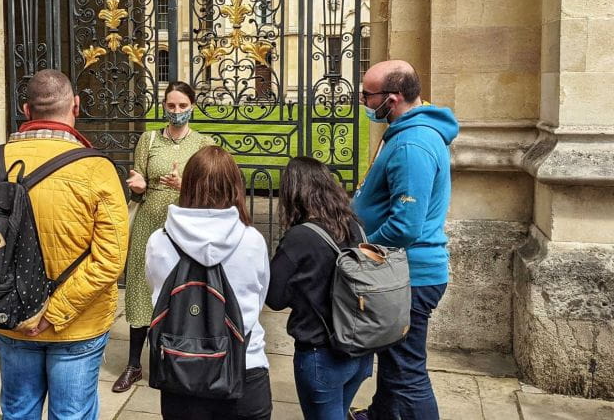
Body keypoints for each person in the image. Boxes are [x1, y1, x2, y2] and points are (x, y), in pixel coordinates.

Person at [0, 69, 128, 420]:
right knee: (71, 414)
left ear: (26, 110)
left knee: (19, 412)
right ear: (75, 106)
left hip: (13, 316)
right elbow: (110, 259)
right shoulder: (97, 169)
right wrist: (54, 312)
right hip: (76, 323)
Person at [349, 60, 459, 420]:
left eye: (367, 95)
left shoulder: (413, 144)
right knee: (395, 361)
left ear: (392, 99)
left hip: (408, 276)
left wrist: (359, 250)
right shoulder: (406, 132)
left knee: (407, 371)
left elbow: (405, 226)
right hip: (403, 272)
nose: (364, 102)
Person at [145, 145, 271, 420]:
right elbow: (259, 298)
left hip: (181, 367)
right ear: (234, 186)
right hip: (243, 365)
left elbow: (155, 292)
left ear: (187, 184)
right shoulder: (251, 240)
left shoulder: (159, 241)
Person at [114, 81, 215, 393]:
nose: (176, 112)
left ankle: (171, 359)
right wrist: (138, 185)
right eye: (171, 106)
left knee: (180, 290)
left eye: (182, 106)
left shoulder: (203, 143)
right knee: (142, 289)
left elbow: (211, 189)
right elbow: (138, 178)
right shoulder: (149, 139)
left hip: (185, 226)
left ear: (193, 106)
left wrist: (183, 185)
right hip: (149, 222)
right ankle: (134, 364)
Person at [266, 157, 374, 420]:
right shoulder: (355, 226)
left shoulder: (299, 237)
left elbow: (275, 297)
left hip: (320, 354)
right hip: (359, 349)